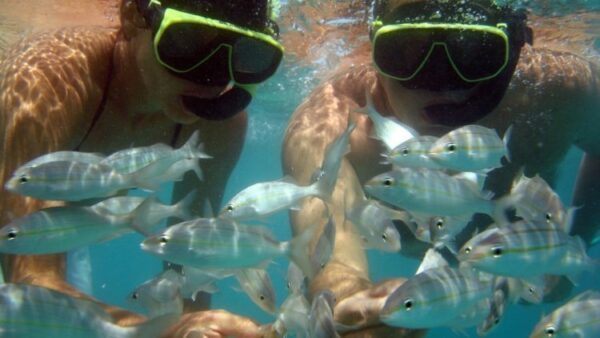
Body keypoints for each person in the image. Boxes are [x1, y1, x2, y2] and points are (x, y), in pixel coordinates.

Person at [282, 0, 599, 335]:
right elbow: (331, 247)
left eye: (475, 50)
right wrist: (351, 296)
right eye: (406, 50)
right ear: (374, 47)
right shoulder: (330, 122)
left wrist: (571, 246)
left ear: (513, 48)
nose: (442, 82)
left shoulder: (559, 91)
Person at [0, 0, 284, 336]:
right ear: (133, 16)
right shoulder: (49, 80)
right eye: (190, 42)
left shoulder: (222, 124)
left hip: (63, 235)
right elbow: (31, 278)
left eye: (244, 56)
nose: (212, 81)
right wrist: (156, 331)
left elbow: (193, 265)